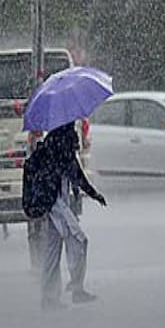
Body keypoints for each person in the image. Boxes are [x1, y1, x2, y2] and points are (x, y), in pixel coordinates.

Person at [37, 123, 107, 310]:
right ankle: (76, 289)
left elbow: (73, 173)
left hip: (53, 200)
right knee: (79, 239)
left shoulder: (55, 138)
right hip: (55, 202)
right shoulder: (61, 139)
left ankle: (49, 297)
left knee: (53, 249)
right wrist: (94, 194)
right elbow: (75, 172)